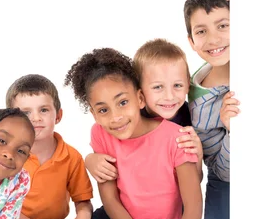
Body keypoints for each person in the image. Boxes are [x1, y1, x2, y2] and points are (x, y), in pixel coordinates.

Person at [63, 48, 203, 219]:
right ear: (93, 113)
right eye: (103, 110)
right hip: (116, 218)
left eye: (123, 102)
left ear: (139, 99)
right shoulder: (100, 133)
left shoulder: (178, 138)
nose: (115, 117)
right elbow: (109, 199)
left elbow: (193, 208)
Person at [5, 74, 96, 219]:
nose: (36, 118)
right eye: (26, 113)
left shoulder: (71, 156)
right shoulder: (7, 156)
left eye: (44, 110)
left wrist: (83, 217)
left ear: (58, 115)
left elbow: (83, 200)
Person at [84, 38, 203, 183]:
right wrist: (90, 159)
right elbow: (110, 145)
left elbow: (196, 180)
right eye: (158, 87)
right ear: (139, 91)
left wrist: (198, 153)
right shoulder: (131, 117)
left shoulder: (190, 119)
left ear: (188, 85)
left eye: (177, 85)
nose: (169, 96)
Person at [184, 0, 240, 219]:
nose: (214, 38)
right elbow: (222, 170)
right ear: (192, 41)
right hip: (227, 174)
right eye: (202, 31)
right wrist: (232, 131)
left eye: (223, 26)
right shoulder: (199, 104)